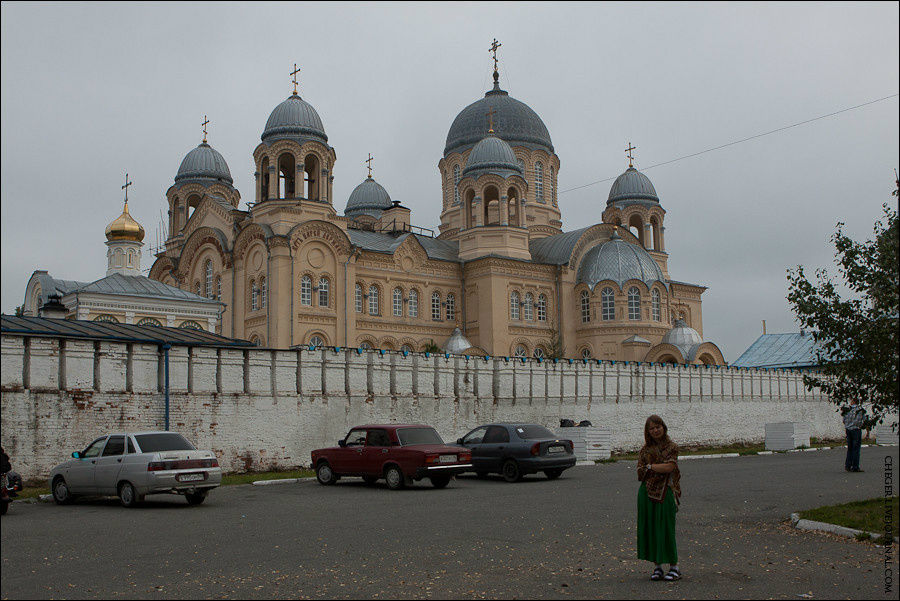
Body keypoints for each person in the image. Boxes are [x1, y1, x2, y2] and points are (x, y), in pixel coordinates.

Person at [637, 415, 681, 582]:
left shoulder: (671, 447)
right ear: (648, 432)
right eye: (652, 428)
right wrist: (653, 468)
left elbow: (670, 466)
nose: (656, 430)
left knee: (666, 528)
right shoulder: (645, 450)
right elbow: (640, 473)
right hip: (646, 493)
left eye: (658, 427)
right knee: (652, 529)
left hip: (666, 492)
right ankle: (657, 567)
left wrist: (651, 467)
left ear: (664, 427)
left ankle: (674, 567)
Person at [842, 399, 866, 472]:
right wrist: (859, 426)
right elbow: (861, 421)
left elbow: (844, 420)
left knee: (850, 448)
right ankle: (855, 466)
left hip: (848, 430)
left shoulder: (847, 410)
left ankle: (848, 465)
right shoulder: (860, 410)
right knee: (856, 449)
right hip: (856, 430)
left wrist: (848, 425)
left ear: (853, 402)